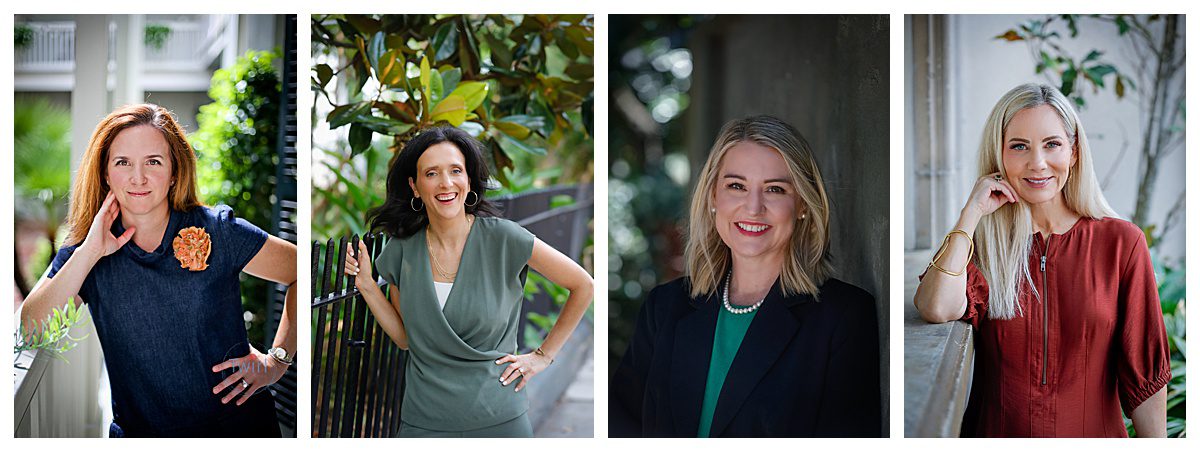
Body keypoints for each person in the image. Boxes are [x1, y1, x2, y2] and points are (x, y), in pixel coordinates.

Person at [18, 104, 297, 437]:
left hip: (239, 430)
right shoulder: (86, 253)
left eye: (153, 161)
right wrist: (90, 251)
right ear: (105, 173)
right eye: (123, 163)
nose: (138, 178)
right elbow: (31, 327)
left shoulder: (218, 231)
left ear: (174, 171)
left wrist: (277, 361)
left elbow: (299, 272)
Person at [913, 84, 1170, 437]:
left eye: (1052, 144)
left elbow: (1146, 375)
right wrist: (971, 214)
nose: (1037, 163)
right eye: (1019, 146)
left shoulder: (1122, 243)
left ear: (1074, 153)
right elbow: (935, 307)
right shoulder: (985, 246)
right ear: (999, 155)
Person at [610, 115, 882, 437]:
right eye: (736, 186)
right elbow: (622, 427)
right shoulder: (663, 308)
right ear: (713, 196)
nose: (753, 208)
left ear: (803, 205)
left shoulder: (843, 316)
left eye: (775, 189)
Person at [343, 126, 594, 437]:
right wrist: (366, 284)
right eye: (431, 173)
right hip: (424, 422)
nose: (446, 183)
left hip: (500, 420)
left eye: (455, 171)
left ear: (469, 179)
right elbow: (406, 339)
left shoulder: (504, 238)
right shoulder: (402, 251)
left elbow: (583, 285)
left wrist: (543, 357)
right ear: (415, 186)